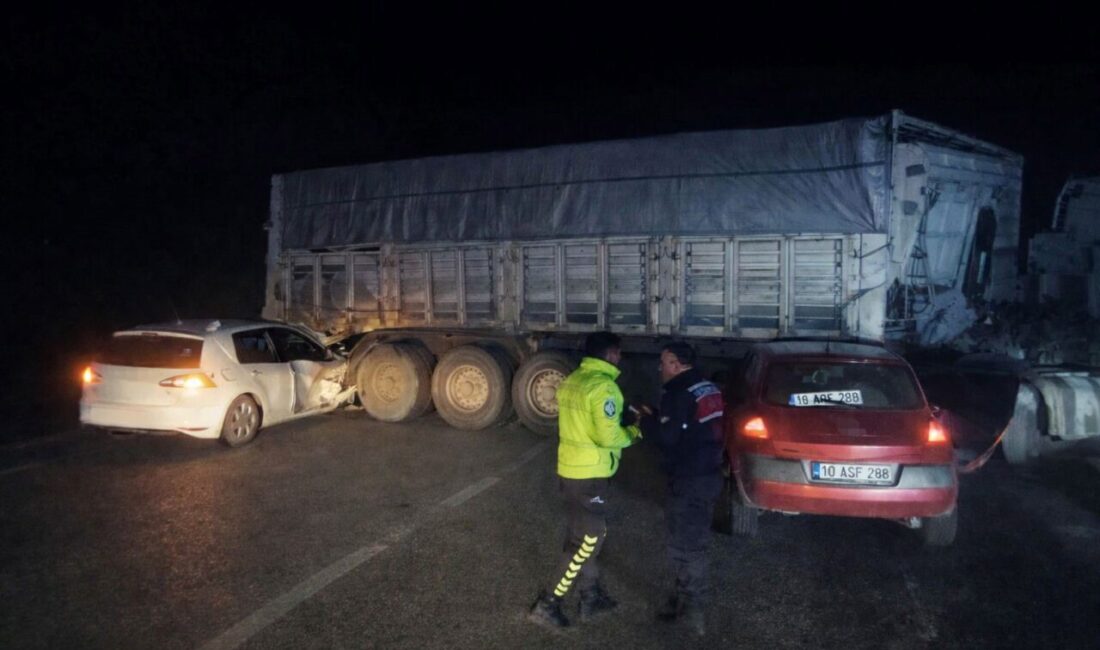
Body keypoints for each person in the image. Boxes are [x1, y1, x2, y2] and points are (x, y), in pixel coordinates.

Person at [528, 331, 643, 629]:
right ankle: (548, 602)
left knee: (583, 535)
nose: (619, 358)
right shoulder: (604, 388)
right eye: (617, 353)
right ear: (610, 354)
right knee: (590, 539)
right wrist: (635, 432)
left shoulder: (574, 380)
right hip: (589, 476)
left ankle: (590, 596)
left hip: (571, 471)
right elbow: (608, 436)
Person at [639, 341, 725, 637]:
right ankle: (685, 599)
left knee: (685, 544)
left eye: (663, 362)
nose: (660, 368)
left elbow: (667, 438)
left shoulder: (677, 394)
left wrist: (645, 420)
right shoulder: (708, 387)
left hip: (689, 480)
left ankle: (691, 609)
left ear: (676, 363)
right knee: (692, 539)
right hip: (709, 475)